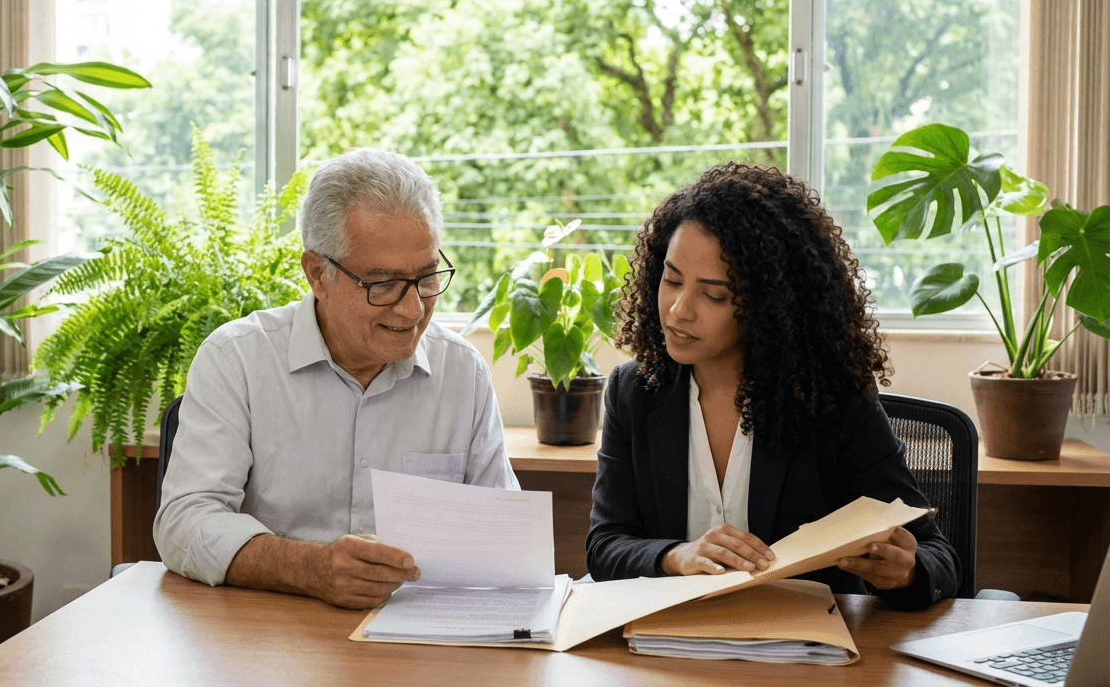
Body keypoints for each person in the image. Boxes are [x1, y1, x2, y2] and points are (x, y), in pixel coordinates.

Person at [154, 148, 519, 609]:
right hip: (272, 636)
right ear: (317, 274)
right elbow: (185, 522)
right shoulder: (237, 361)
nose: (412, 309)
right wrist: (310, 569)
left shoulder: (461, 373)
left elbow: (504, 537)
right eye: (382, 284)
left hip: (417, 639)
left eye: (427, 278)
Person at [586, 162, 959, 609]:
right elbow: (605, 545)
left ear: (768, 306)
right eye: (671, 279)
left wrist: (906, 573)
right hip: (668, 650)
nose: (678, 310)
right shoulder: (634, 392)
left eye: (715, 295)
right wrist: (675, 556)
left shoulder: (833, 399)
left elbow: (937, 555)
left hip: (802, 655)